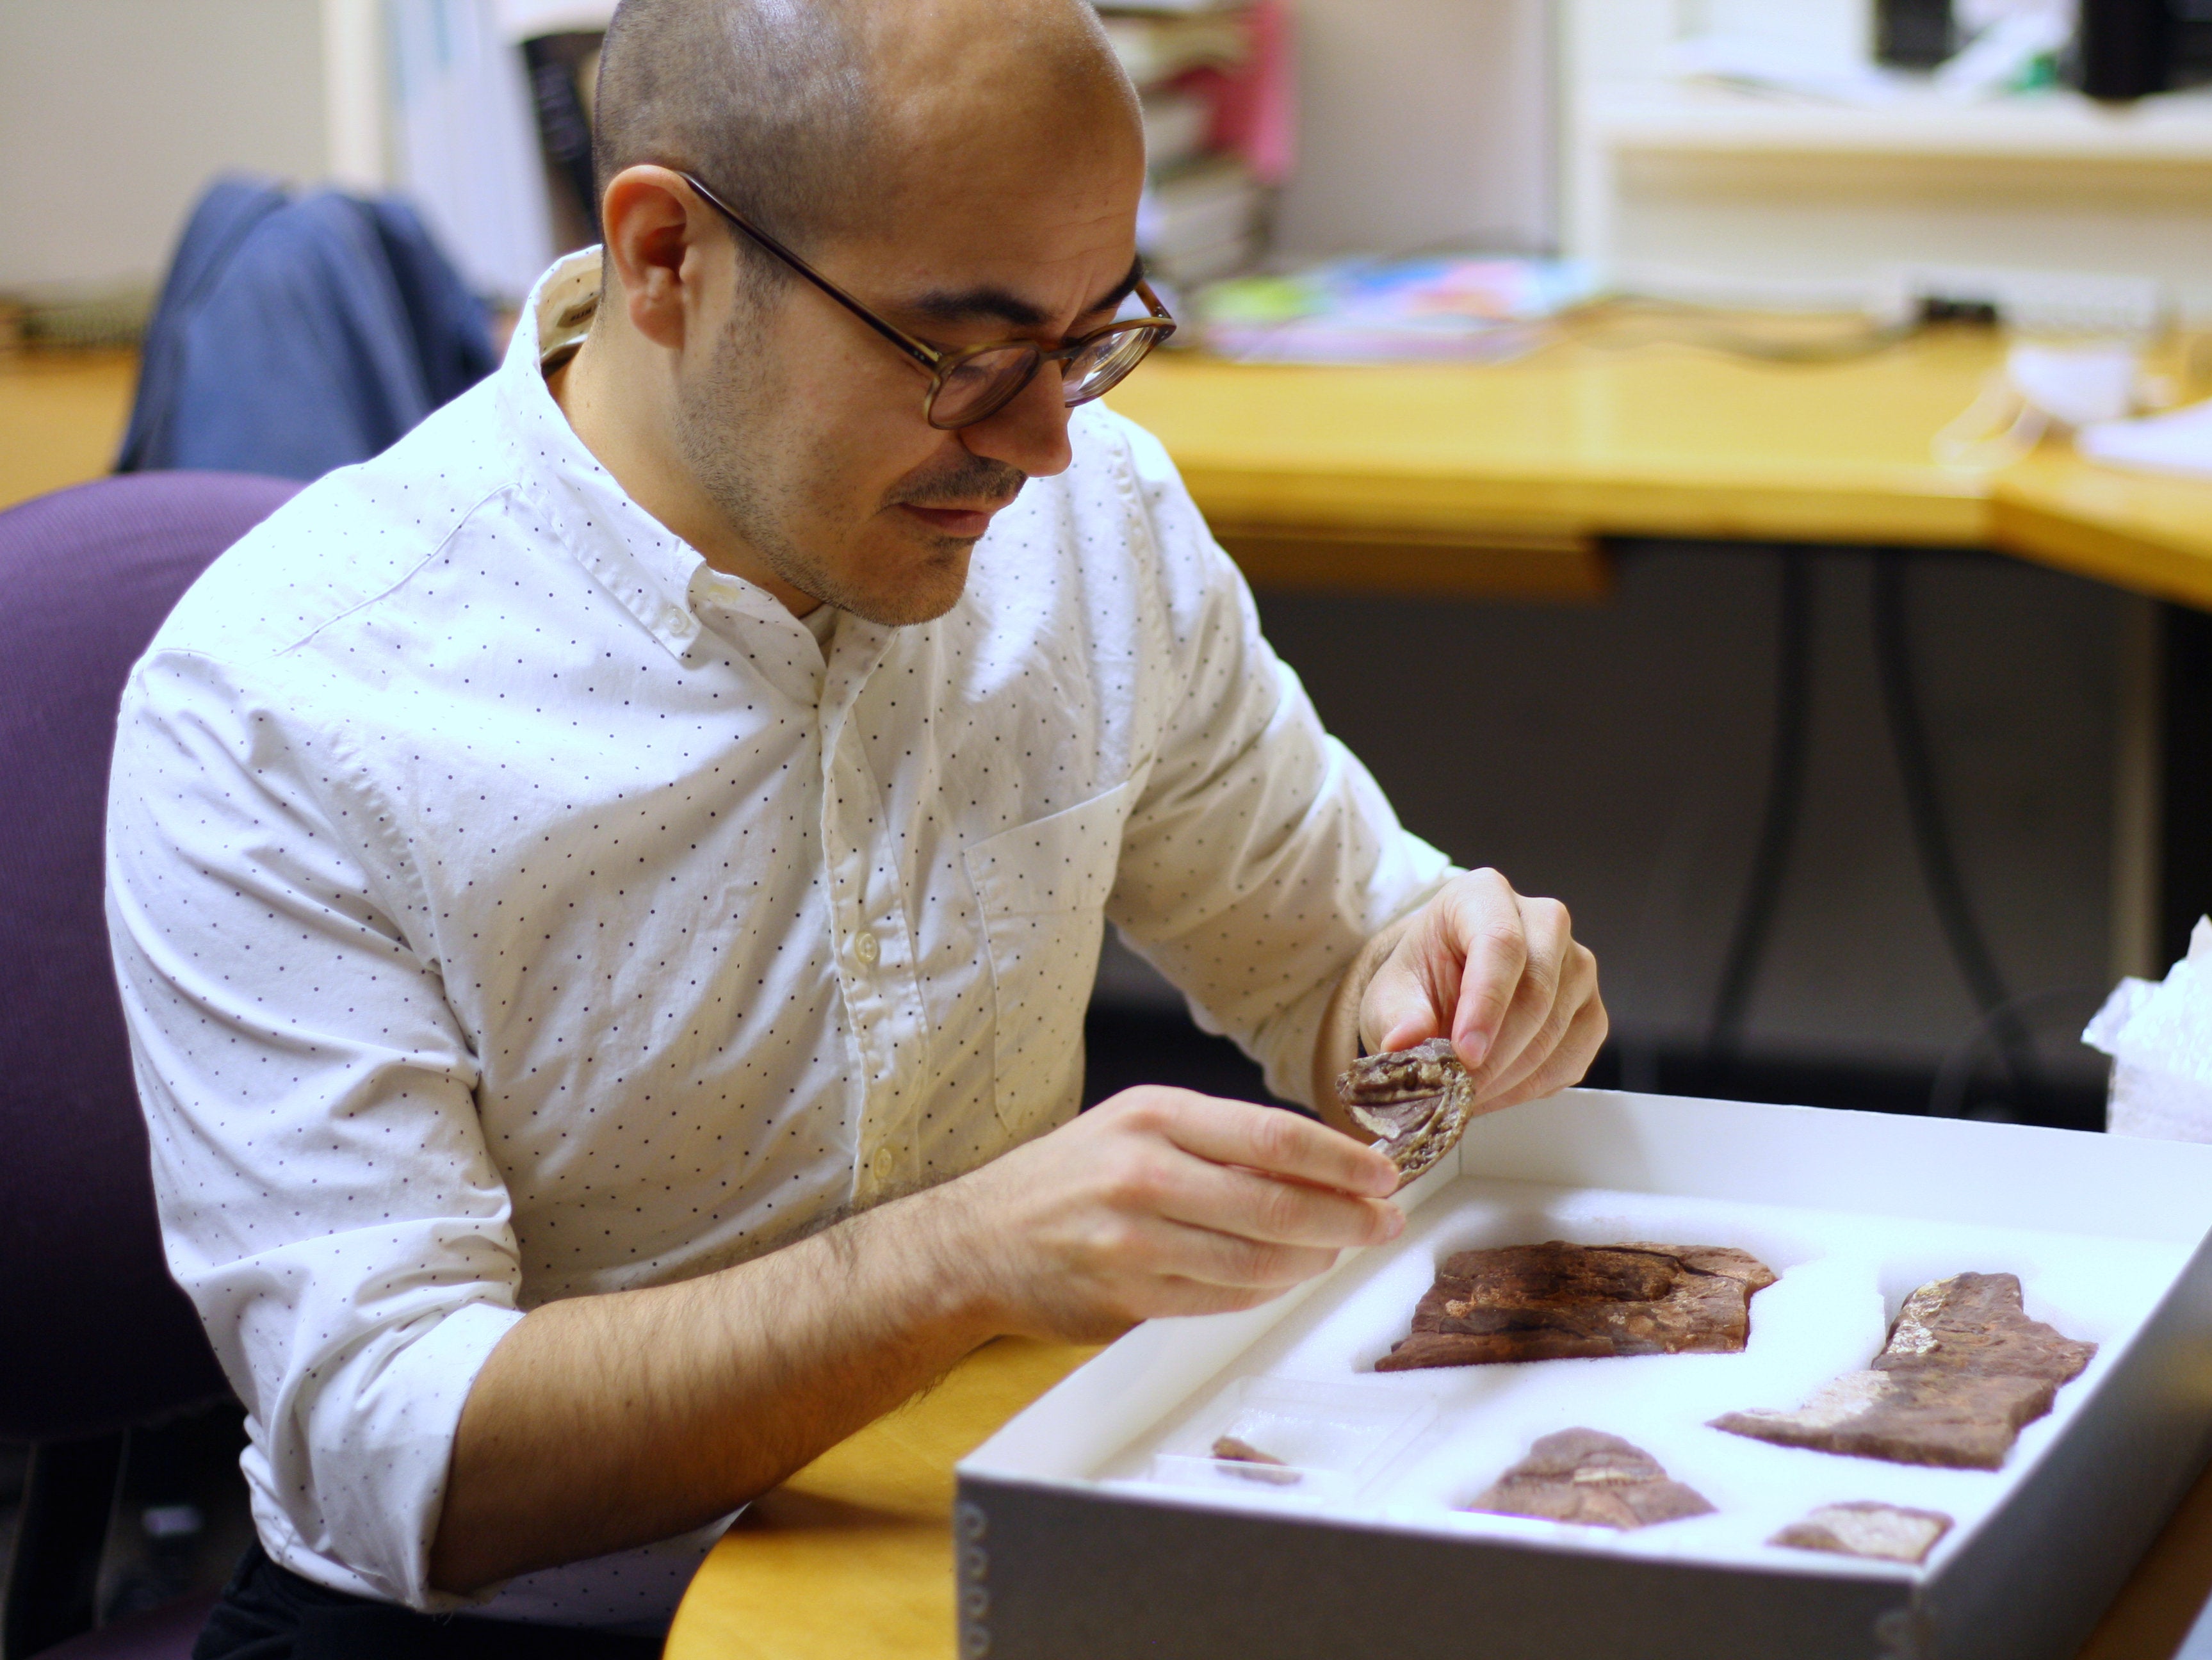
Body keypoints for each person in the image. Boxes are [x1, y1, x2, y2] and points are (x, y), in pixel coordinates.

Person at [106, 0, 1606, 1651]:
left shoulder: (1092, 518)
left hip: (986, 1537)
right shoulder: (289, 700)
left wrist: (1445, 984)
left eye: (1094, 337)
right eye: (962, 355)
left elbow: (1335, 957)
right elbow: (403, 1460)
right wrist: (962, 1258)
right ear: (665, 255)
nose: (1043, 445)